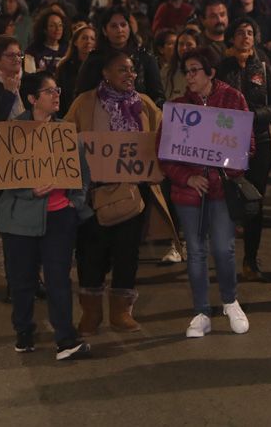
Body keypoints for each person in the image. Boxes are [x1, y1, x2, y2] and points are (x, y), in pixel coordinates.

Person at [65, 50, 176, 335]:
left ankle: (121, 312)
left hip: (133, 196)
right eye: (122, 70)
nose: (131, 75)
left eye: (132, 70)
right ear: (105, 73)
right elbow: (65, 139)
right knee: (91, 256)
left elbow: (166, 135)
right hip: (94, 196)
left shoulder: (145, 104)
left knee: (128, 255)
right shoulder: (85, 103)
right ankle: (91, 313)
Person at [0, 71, 93, 360]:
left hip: (60, 216)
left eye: (57, 90)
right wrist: (29, 190)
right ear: (32, 98)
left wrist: (75, 201)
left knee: (58, 278)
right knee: (22, 279)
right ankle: (24, 331)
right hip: (19, 220)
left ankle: (66, 339)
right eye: (49, 91)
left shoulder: (66, 132)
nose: (56, 95)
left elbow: (83, 175)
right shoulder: (12, 131)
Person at [160, 47, 253, 338]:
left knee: (224, 249)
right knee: (196, 251)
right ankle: (201, 311)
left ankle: (230, 301)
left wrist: (225, 169)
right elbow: (164, 155)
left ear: (210, 72)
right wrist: (188, 178)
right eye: (185, 71)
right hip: (189, 194)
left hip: (221, 189)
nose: (188, 77)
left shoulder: (233, 99)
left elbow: (247, 146)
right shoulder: (178, 108)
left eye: (194, 70)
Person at [216, 17, 271, 281]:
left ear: (255, 38)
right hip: (227, 142)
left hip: (260, 142)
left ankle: (250, 260)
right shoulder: (222, 69)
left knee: (255, 200)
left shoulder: (265, 69)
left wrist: (252, 116)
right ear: (232, 39)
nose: (245, 37)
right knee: (226, 200)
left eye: (249, 32)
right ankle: (225, 257)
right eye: (240, 32)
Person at [76, 6, 165, 106]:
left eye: (123, 25)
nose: (120, 30)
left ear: (129, 28)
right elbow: (82, 95)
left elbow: (157, 96)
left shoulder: (145, 57)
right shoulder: (95, 59)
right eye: (114, 26)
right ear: (105, 31)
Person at [55, 25, 96, 114]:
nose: (88, 41)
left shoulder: (99, 66)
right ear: (75, 42)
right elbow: (61, 95)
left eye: (92, 39)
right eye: (84, 38)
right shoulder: (65, 66)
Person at [162, 28, 203, 100]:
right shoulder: (167, 71)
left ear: (198, 46)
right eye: (181, 44)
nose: (184, 48)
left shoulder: (205, 71)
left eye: (189, 44)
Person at [25, 8, 68, 74]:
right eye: (52, 25)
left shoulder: (68, 49)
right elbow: (29, 76)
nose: (58, 29)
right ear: (44, 29)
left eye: (60, 25)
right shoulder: (33, 50)